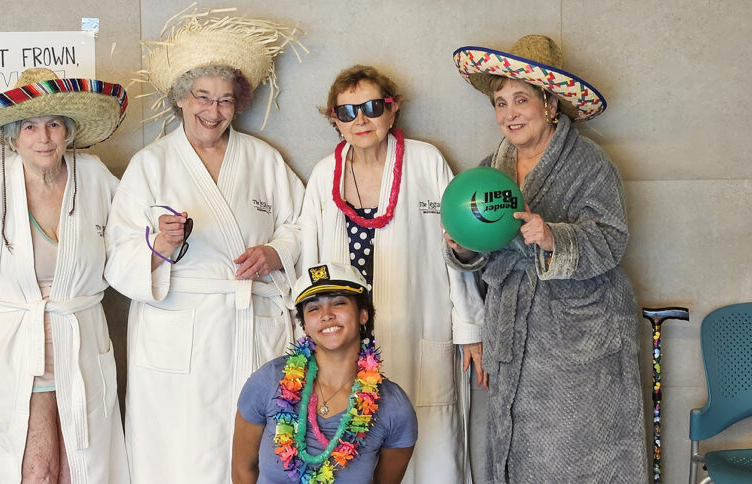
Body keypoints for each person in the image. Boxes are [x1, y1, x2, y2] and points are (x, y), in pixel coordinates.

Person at [103, 7, 305, 483]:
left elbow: (303, 221)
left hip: (249, 326)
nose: (213, 112)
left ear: (239, 105)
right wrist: (158, 247)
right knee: (182, 450)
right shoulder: (151, 164)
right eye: (202, 97)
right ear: (180, 99)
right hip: (178, 331)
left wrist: (275, 252)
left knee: (252, 449)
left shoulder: (262, 159)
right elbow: (116, 255)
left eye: (226, 101)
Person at [448, 35, 646, 482]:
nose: (510, 113)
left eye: (521, 100)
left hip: (578, 336)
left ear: (550, 104)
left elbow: (613, 240)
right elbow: (478, 246)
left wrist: (554, 236)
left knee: (582, 452)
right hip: (513, 329)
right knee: (518, 451)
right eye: (500, 103)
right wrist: (462, 248)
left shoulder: (591, 164)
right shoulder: (489, 170)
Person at [0, 68, 129, 483]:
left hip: (79, 342)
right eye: (30, 127)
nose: (44, 137)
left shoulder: (94, 176)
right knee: (34, 467)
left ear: (68, 131)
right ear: (13, 136)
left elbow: (130, 235)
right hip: (13, 346)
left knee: (79, 466)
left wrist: (161, 241)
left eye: (53, 124)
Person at [298, 64, 485, 483]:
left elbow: (455, 244)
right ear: (335, 120)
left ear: (392, 110)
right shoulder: (323, 175)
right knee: (354, 449)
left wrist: (470, 327)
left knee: (431, 446)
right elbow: (309, 263)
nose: (360, 120)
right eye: (347, 112)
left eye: (371, 107)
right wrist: (305, 335)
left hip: (419, 324)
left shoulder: (425, 161)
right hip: (346, 338)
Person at [232, 262, 417, 483]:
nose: (326, 315)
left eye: (339, 303)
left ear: (363, 315)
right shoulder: (269, 381)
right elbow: (243, 469)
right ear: (305, 325)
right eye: (313, 308)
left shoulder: (394, 407)